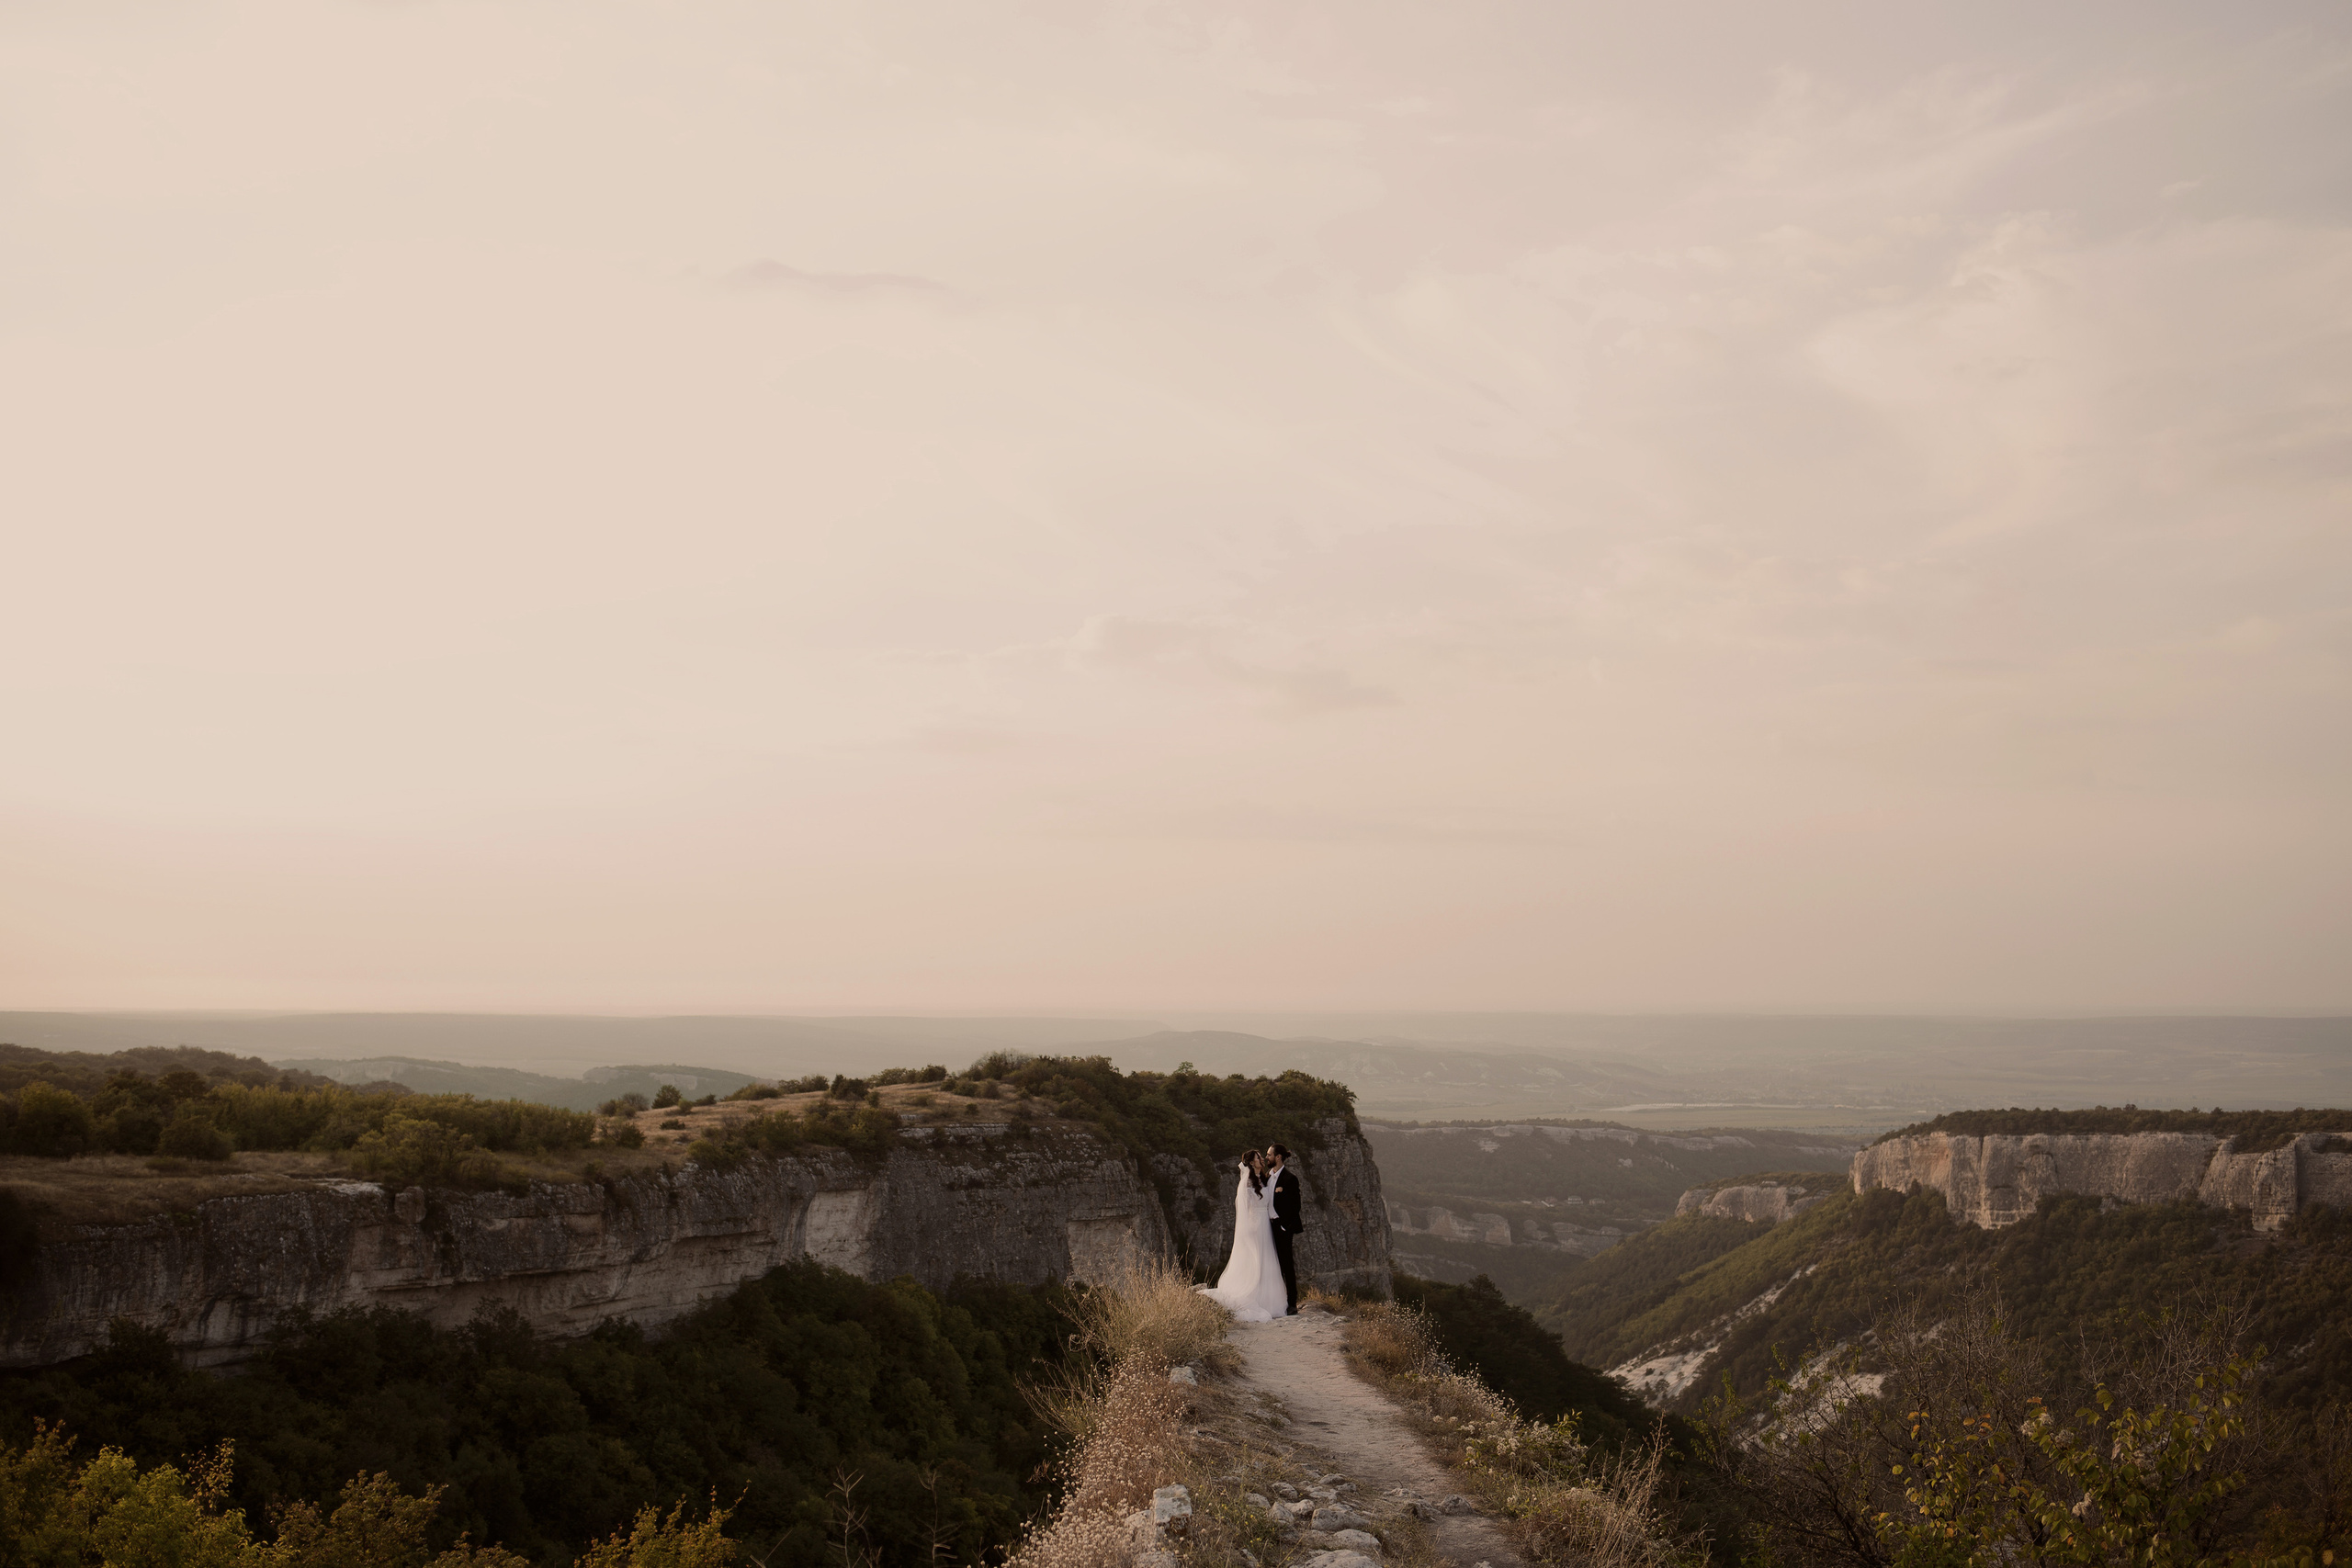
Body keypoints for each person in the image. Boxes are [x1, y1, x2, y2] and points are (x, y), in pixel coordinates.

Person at [1200, 1150, 1290, 1321]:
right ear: (1251, 1163)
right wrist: (1249, 1230)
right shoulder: (1246, 1182)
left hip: (1267, 1225)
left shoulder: (1265, 1179)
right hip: (1256, 1227)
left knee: (1267, 1261)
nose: (1262, 1159)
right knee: (1256, 1261)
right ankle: (1254, 1297)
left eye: (1261, 1157)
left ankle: (1269, 1300)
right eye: (1258, 1158)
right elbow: (1244, 1210)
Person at [1265, 1143, 1304, 1315]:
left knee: (1286, 1265)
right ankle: (1275, 1301)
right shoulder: (1267, 1176)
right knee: (1271, 1264)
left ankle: (1292, 1303)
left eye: (1269, 1155)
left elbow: (1295, 1206)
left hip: (1281, 1228)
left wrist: (1284, 1226)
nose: (1266, 1157)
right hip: (1267, 1227)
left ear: (1278, 1157)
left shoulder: (1290, 1179)